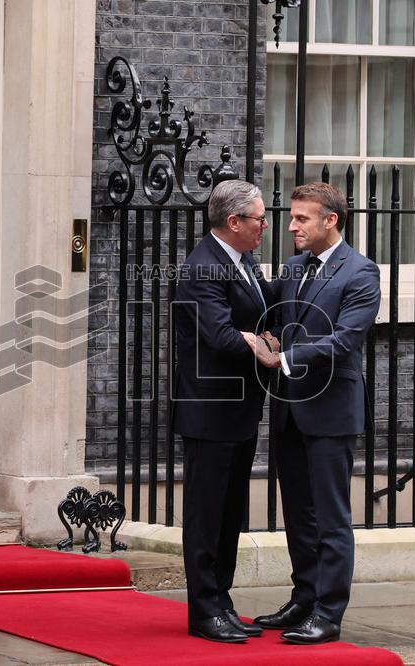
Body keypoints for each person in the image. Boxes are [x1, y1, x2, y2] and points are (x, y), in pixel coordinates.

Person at [246, 182, 381, 644]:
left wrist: (283, 359)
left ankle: (328, 613)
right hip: (289, 410)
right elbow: (273, 314)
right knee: (299, 514)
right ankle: (304, 598)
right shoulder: (294, 266)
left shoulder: (361, 273)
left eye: (302, 218)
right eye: (291, 217)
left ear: (331, 221)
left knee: (330, 516)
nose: (292, 225)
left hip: (330, 412)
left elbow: (346, 340)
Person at [174, 179, 276, 643]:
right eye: (258, 218)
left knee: (231, 510)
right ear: (233, 222)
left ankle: (222, 599)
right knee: (207, 512)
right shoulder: (204, 267)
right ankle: (203, 609)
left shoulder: (241, 260)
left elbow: (261, 311)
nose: (265, 225)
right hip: (211, 410)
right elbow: (220, 335)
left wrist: (263, 337)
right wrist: (255, 342)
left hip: (238, 408)